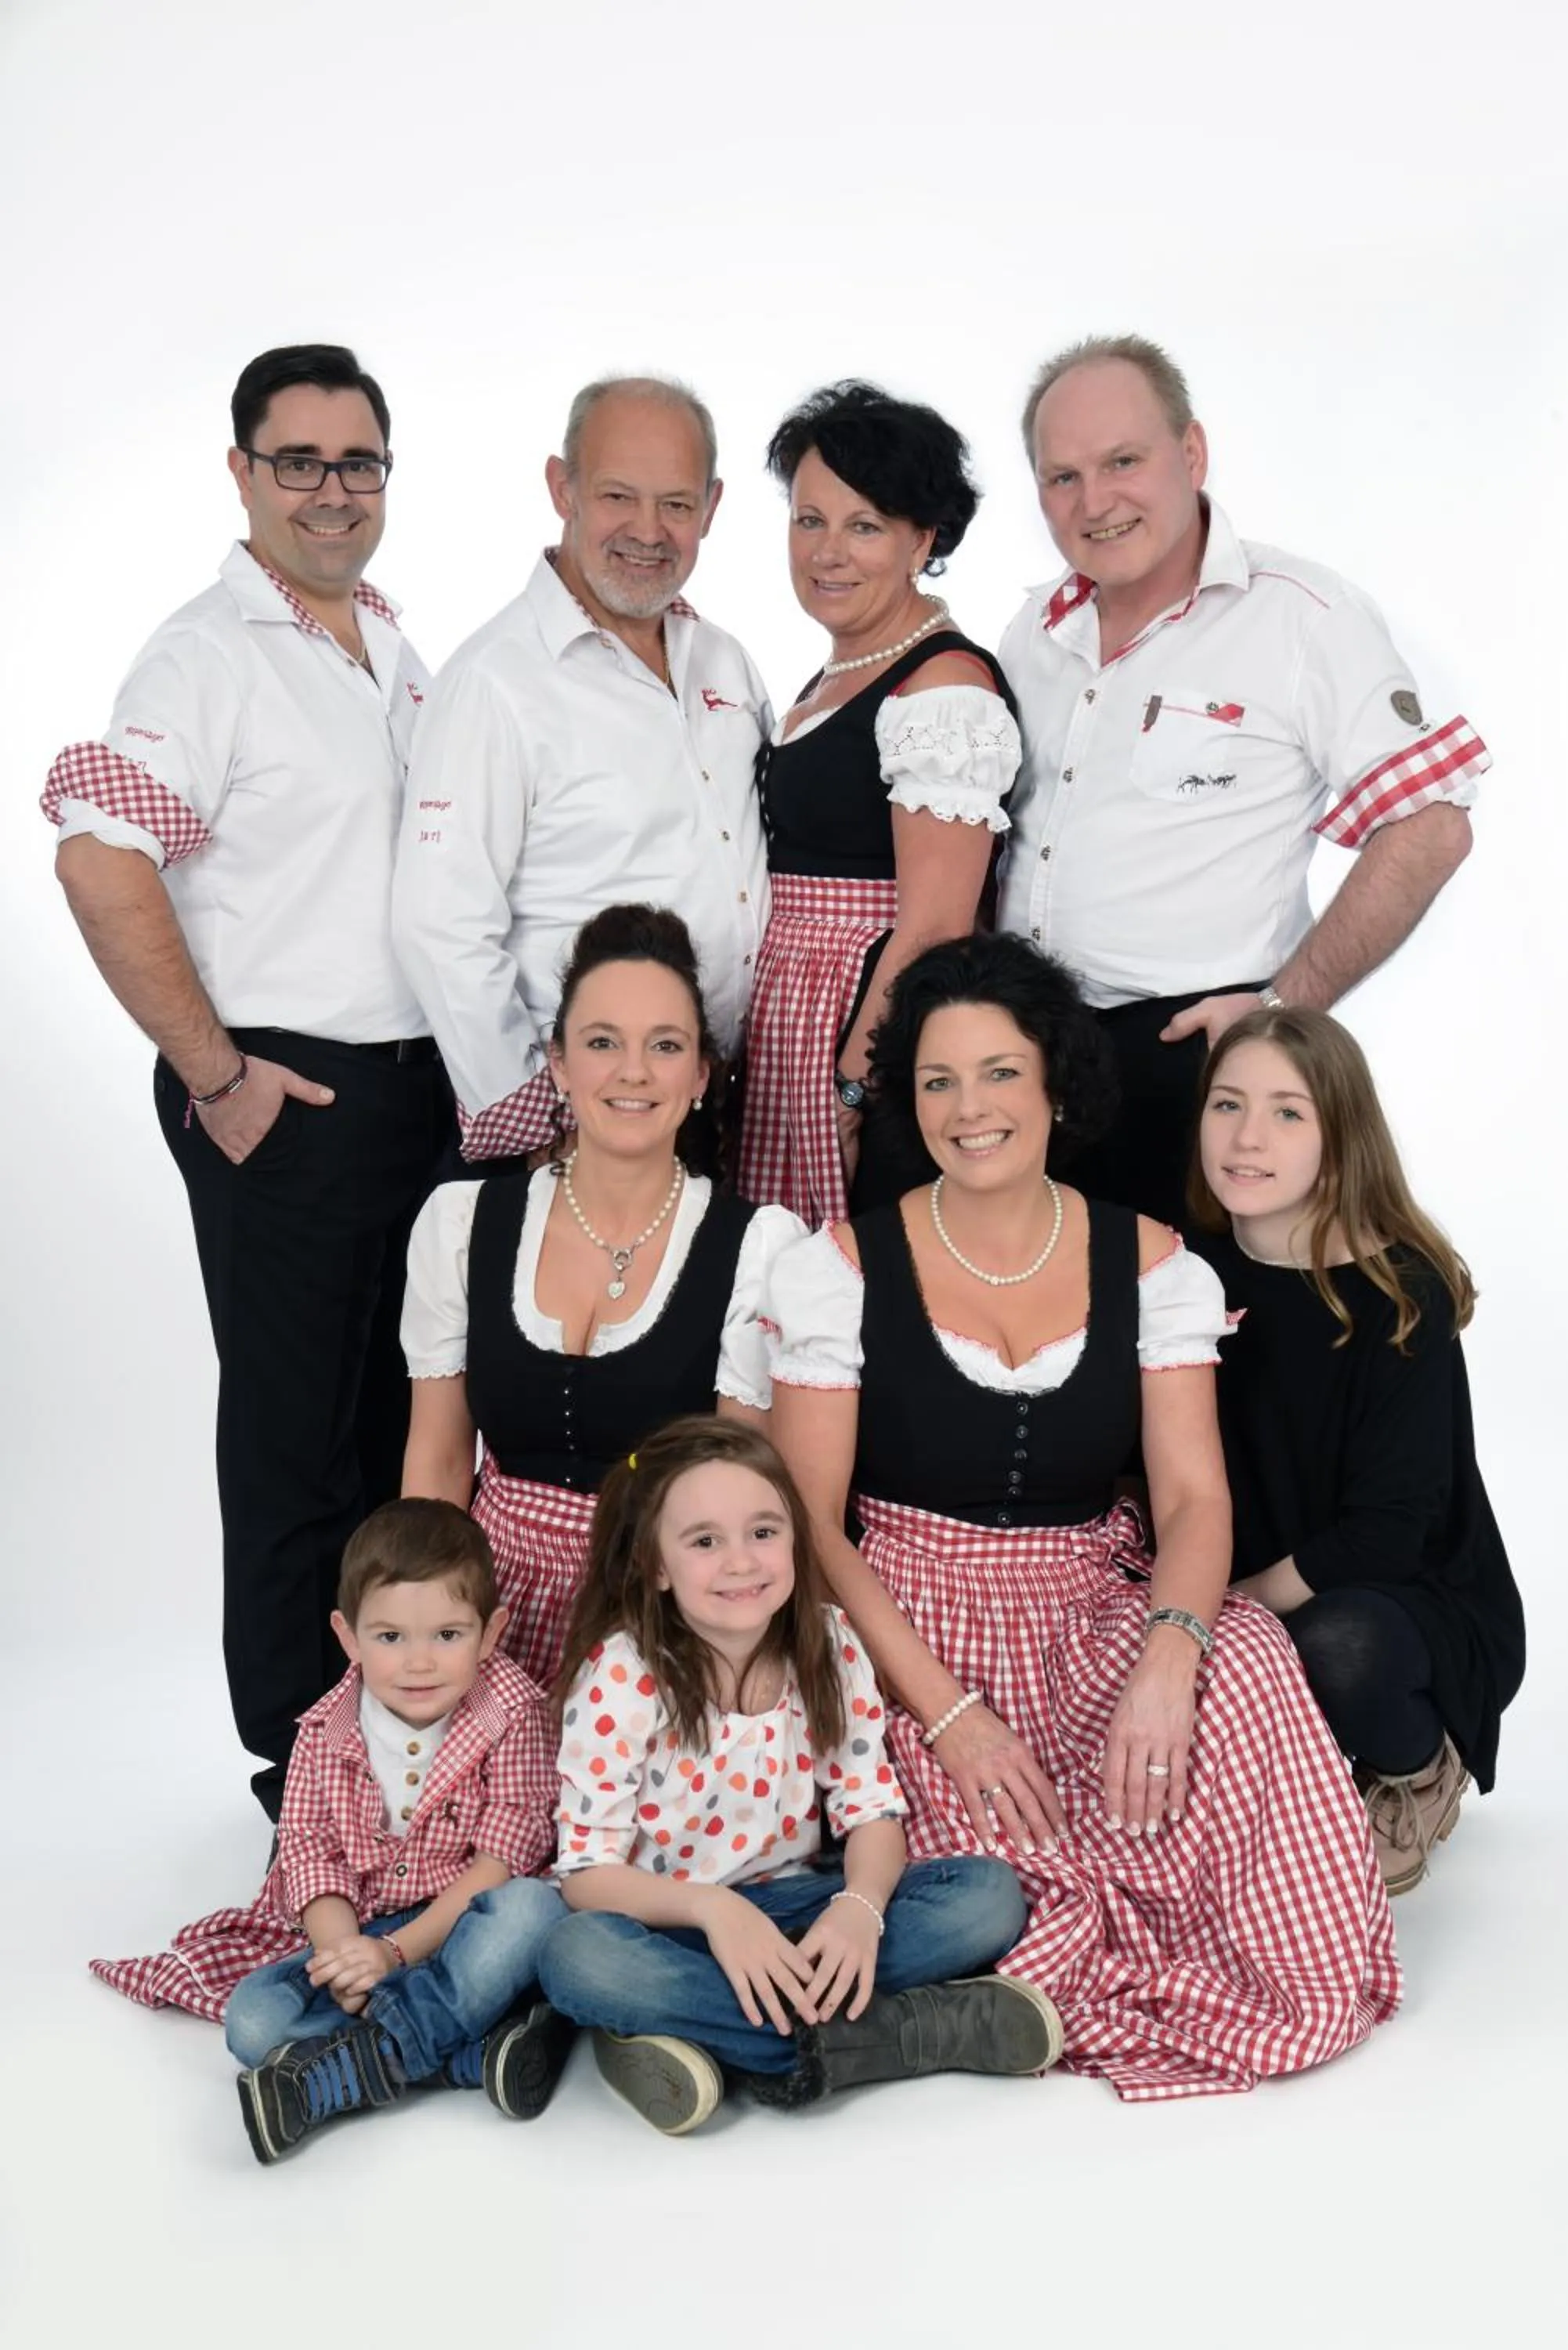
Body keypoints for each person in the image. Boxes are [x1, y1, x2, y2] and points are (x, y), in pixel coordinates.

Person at [764, 931, 1401, 2102]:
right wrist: (949, 1716)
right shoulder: (838, 1269)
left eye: (1000, 1072)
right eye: (937, 1081)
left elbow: (1193, 1501)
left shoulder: (1156, 1266)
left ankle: (1057, 1983)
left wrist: (1169, 1656)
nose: (970, 1109)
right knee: (996, 1878)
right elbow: (810, 1534)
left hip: (1082, 1604)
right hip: (903, 1624)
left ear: (1056, 1079)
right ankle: (994, 1985)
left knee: (1250, 1651)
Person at [44, 345, 452, 1820]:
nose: (333, 492)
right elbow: (96, 853)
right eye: (300, 462)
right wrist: (215, 1075)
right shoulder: (206, 655)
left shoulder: (388, 644)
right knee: (295, 1434)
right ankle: (301, 1769)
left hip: (412, 1097)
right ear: (243, 474)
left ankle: (396, 1744)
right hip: (288, 1096)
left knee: (391, 1426)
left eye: (360, 463)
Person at [997, 333, 1488, 1228]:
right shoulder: (1033, 629)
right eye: (1061, 477)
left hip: (1195, 1062)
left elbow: (1430, 827)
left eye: (1122, 462)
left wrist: (1276, 1012)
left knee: (1205, 1347)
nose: (1093, 501)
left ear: (1191, 453)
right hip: (1029, 1060)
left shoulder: (1301, 618)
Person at [537, 1416, 1057, 2133]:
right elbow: (586, 1875)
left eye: (763, 1531)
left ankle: (707, 2031)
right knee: (577, 1959)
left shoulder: (830, 1644)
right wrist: (717, 1912)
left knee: (988, 1899)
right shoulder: (623, 1675)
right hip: (676, 1927)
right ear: (654, 1565)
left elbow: (872, 1812)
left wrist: (860, 1911)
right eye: (704, 1541)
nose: (742, 1562)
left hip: (800, 1912)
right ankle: (878, 2038)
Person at [92, 1500, 570, 2164]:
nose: (420, 1663)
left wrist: (395, 1957)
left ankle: (360, 2065)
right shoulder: (326, 1729)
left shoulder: (514, 1713)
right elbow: (308, 1853)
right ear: (348, 1637)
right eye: (390, 1638)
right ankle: (468, 2051)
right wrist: (346, 1953)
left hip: (462, 1921)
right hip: (364, 1927)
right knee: (253, 2022)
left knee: (532, 1911)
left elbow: (500, 1864)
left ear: (492, 1633)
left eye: (448, 1636)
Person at [401, 906, 803, 1687]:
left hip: (666, 1613)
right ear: (557, 1064)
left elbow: (740, 1494)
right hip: (492, 1606)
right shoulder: (462, 1222)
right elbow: (440, 1460)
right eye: (601, 1043)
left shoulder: (757, 1247)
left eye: (665, 1046)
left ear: (699, 1076)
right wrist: (435, 1638)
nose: (632, 1072)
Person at [1187, 1005, 1525, 1893]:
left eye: (1287, 1112)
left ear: (1340, 1140)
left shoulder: (1398, 1294)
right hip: (1231, 1573)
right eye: (1227, 1105)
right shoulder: (1180, 1272)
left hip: (1395, 1599)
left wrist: (1227, 1611)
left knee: (1339, 1646)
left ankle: (1415, 1772)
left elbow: (1386, 1532)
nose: (1247, 1137)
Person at [392, 374, 770, 1163]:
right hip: (587, 1125)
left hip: (724, 1106)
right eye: (617, 497)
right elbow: (440, 925)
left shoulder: (724, 661)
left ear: (712, 505)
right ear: (561, 488)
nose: (648, 530)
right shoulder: (496, 681)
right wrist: (539, 1124)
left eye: (676, 503)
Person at [738, 381, 1021, 1223]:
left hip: (875, 1039)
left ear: (921, 538)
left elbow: (935, 924)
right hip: (798, 1028)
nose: (828, 552)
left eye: (864, 525)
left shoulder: (941, 686)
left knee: (863, 1301)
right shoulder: (838, 672)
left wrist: (855, 1087)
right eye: (809, 520)